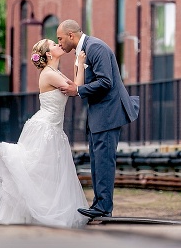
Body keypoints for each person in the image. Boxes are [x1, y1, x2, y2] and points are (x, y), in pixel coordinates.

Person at [0, 39, 90, 228]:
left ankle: (48, 214)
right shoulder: (49, 74)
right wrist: (80, 63)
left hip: (54, 129)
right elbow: (76, 90)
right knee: (30, 165)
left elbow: (76, 87)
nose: (58, 45)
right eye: (53, 44)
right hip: (45, 127)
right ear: (49, 54)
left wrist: (78, 64)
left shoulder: (55, 72)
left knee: (45, 173)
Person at [57, 19, 139, 220]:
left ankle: (103, 207)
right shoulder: (85, 50)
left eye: (60, 39)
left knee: (104, 160)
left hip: (109, 114)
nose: (59, 43)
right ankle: (99, 204)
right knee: (97, 160)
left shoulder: (96, 47)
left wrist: (78, 90)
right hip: (99, 115)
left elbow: (105, 81)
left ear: (71, 35)